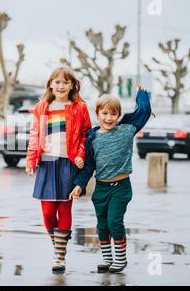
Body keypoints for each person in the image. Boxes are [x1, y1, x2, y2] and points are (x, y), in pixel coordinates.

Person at [69, 85, 152, 274]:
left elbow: (144, 112)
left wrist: (142, 94)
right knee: (102, 224)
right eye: (104, 113)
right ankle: (107, 258)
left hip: (121, 188)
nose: (108, 118)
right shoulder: (92, 137)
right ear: (97, 114)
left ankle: (121, 259)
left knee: (115, 221)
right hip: (101, 188)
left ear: (118, 115)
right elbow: (89, 166)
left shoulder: (127, 130)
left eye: (113, 114)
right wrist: (79, 185)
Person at [26, 67, 92, 272]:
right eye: (57, 82)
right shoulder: (42, 107)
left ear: (72, 85)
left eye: (65, 82)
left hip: (68, 163)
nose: (61, 86)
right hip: (46, 162)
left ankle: (59, 256)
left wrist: (81, 154)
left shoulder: (79, 107)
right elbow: (35, 134)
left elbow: (86, 135)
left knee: (64, 208)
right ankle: (60, 246)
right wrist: (30, 159)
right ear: (50, 85)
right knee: (47, 213)